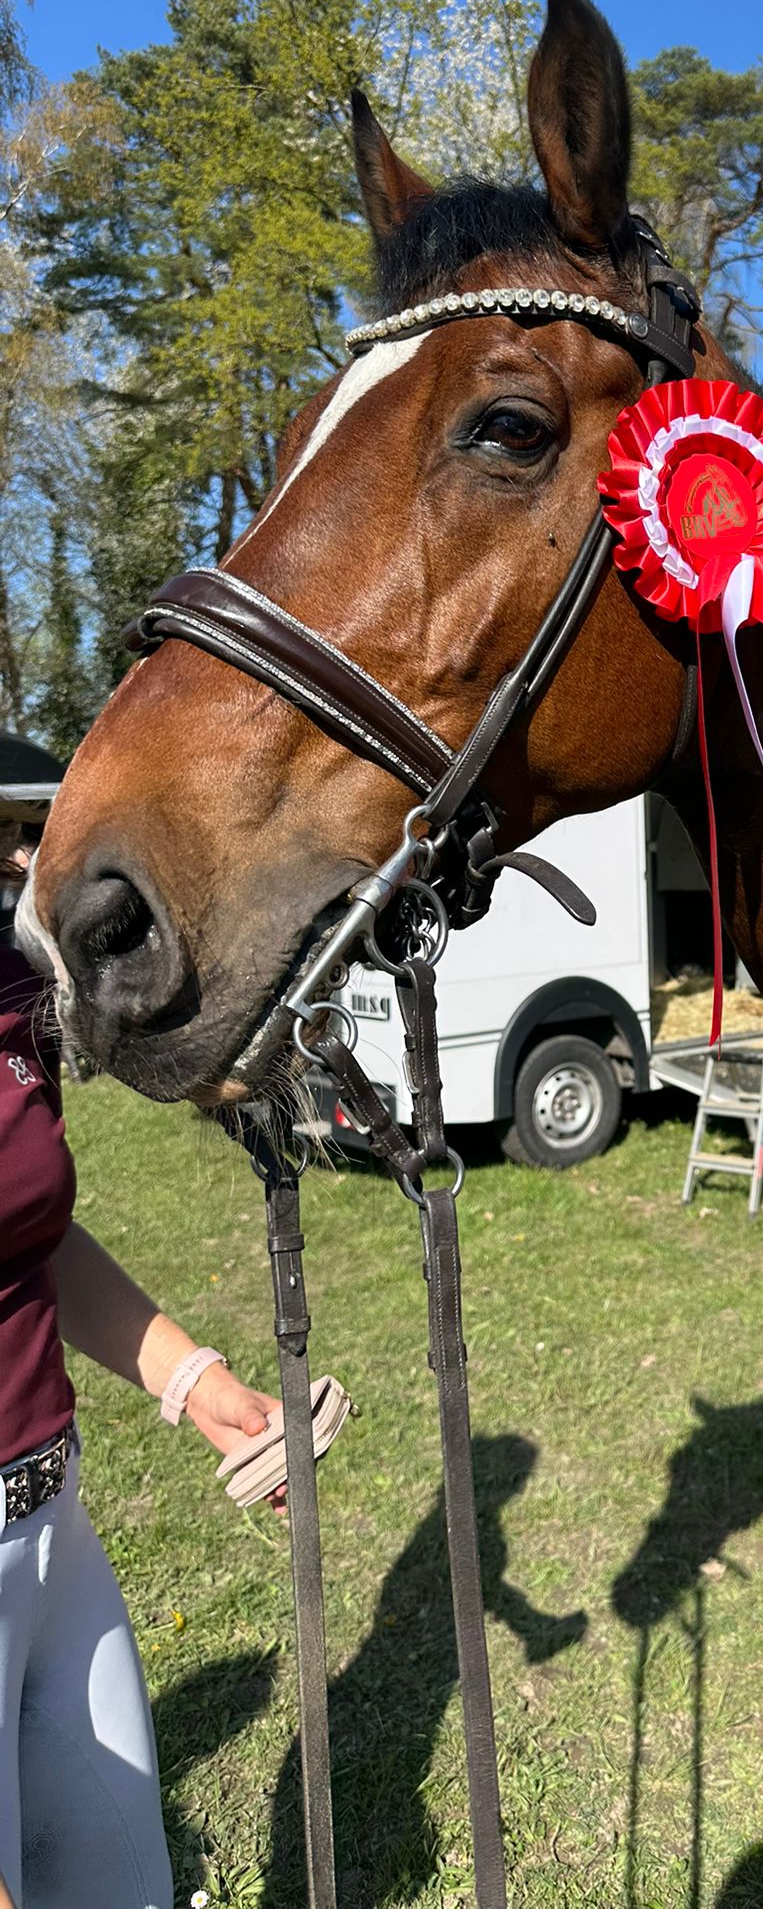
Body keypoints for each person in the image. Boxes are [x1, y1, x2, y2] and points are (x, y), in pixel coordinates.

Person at [0, 733, 282, 1909]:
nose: (20, 856)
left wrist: (194, 1380)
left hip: (49, 1517)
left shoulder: (11, 988)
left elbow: (29, 1229)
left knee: (125, 1882)